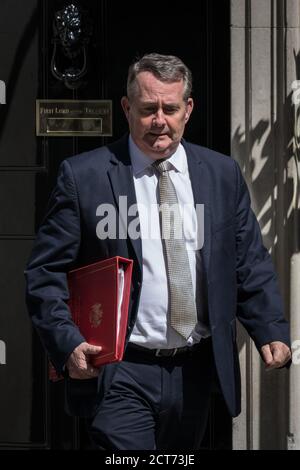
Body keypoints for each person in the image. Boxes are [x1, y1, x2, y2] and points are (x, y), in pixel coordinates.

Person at [25, 53, 291, 450]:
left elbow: (248, 260)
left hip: (196, 370)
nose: (159, 121)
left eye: (170, 108)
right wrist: (66, 341)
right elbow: (45, 273)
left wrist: (269, 328)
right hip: (121, 371)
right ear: (127, 108)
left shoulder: (221, 175)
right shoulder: (84, 177)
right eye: (148, 109)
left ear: (188, 109)